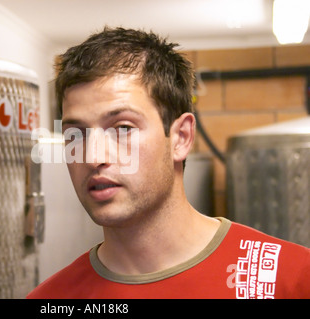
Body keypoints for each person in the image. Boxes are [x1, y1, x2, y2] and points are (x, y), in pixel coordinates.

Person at [27, 27, 310, 299]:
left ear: (181, 137)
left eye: (123, 128)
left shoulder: (290, 279)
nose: (92, 157)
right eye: (75, 134)